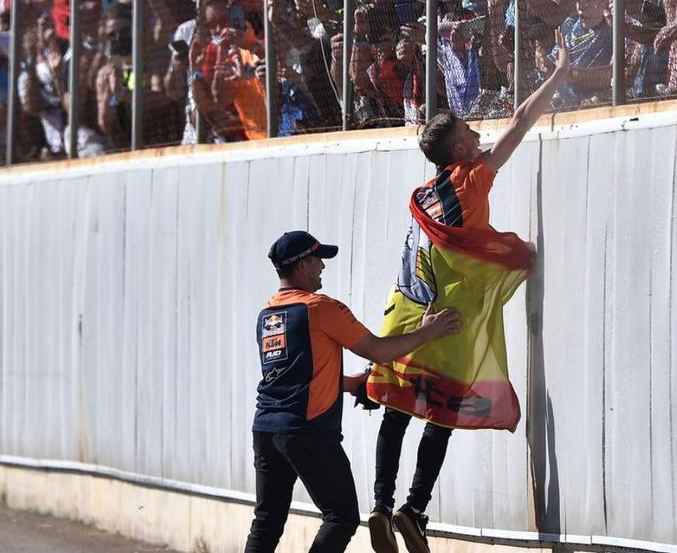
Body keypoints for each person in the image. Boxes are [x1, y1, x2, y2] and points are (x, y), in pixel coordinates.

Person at [367, 39, 573, 553]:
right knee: (440, 414)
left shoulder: (423, 196)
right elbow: (522, 120)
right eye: (468, 130)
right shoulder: (473, 179)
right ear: (459, 150)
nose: (478, 131)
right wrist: (558, 74)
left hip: (404, 311)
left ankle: (379, 504)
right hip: (449, 321)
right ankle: (414, 510)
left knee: (396, 409)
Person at [245, 230, 463, 553]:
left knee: (266, 523)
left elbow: (295, 375)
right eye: (318, 259)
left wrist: (352, 385)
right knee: (341, 517)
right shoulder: (320, 308)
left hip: (266, 430)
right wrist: (427, 332)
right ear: (302, 265)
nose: (323, 267)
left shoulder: (268, 314)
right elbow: (378, 350)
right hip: (308, 432)